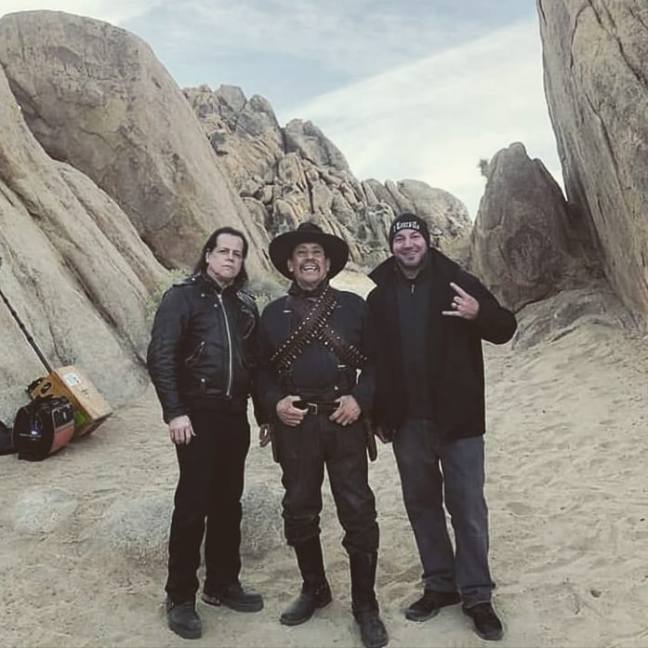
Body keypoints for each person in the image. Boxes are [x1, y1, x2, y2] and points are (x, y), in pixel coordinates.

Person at [366, 213, 517, 642]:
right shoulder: (380, 295)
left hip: (459, 419)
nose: (408, 244)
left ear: (427, 241)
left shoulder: (458, 282)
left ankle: (477, 595)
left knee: (468, 508)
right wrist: (379, 415)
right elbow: (375, 359)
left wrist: (478, 313)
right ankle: (440, 585)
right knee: (422, 506)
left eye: (415, 236)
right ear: (391, 246)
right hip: (407, 423)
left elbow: (505, 328)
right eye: (400, 238)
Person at [257, 222, 388, 648]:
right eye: (301, 253)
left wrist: (361, 400)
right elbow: (260, 371)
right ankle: (315, 589)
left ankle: (365, 605)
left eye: (316, 253)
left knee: (358, 510)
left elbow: (377, 362)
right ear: (290, 265)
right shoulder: (272, 315)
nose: (309, 259)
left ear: (328, 264)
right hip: (296, 426)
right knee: (299, 509)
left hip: (344, 420)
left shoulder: (354, 307)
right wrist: (274, 403)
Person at [147, 226, 264, 640]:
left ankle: (222, 582)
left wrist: (264, 415)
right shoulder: (182, 297)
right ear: (208, 254)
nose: (230, 258)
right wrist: (175, 412)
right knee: (193, 504)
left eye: (237, 253)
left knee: (228, 503)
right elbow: (160, 355)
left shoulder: (243, 304)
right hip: (196, 415)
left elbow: (254, 364)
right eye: (223, 251)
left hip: (234, 415)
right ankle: (180, 596)